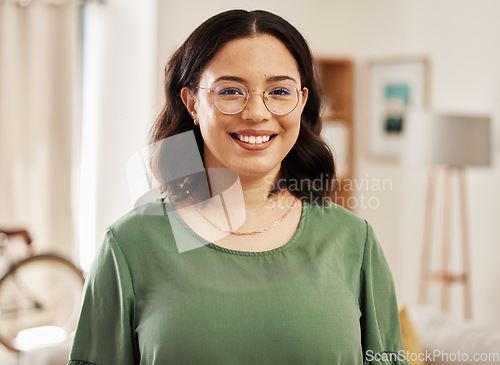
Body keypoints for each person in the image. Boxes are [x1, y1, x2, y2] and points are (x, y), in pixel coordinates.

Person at [68, 9, 408, 365]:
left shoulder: (354, 242)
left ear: (302, 102)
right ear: (192, 103)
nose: (257, 112)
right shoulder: (130, 246)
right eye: (231, 91)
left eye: (279, 91)